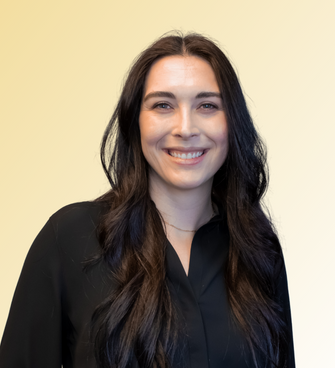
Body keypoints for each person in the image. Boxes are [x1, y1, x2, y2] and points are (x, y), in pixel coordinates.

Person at [0, 32, 295, 368]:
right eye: (163, 105)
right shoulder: (68, 238)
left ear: (233, 123)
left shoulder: (258, 250)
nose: (185, 127)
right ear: (134, 121)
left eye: (208, 105)